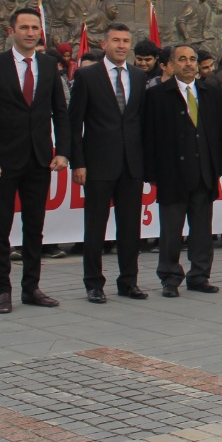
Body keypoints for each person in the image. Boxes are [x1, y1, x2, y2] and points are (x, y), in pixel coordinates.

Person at [0, 7, 70, 313]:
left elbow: (61, 113)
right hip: (3, 161)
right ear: (11, 30)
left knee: (34, 227)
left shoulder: (49, 65)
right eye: (24, 27)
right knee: (0, 226)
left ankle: (31, 287)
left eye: (35, 28)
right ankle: (2, 290)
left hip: (40, 160)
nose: (30, 33)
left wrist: (63, 151)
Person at [68, 22, 148, 303]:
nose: (122, 45)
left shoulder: (139, 77)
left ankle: (129, 281)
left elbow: (142, 122)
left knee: (130, 227)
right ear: (104, 44)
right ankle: (94, 284)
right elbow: (74, 123)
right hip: (98, 163)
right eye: (116, 40)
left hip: (131, 165)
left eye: (126, 41)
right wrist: (77, 162)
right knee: (96, 227)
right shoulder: (87, 76)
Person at [141, 44, 222, 297]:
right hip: (172, 174)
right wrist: (153, 173)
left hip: (203, 172)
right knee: (171, 231)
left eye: (192, 59)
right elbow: (150, 137)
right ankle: (170, 277)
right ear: (169, 65)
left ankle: (199, 275)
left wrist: (219, 165)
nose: (189, 63)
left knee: (202, 230)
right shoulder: (157, 95)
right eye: (182, 59)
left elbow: (219, 131)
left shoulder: (209, 92)